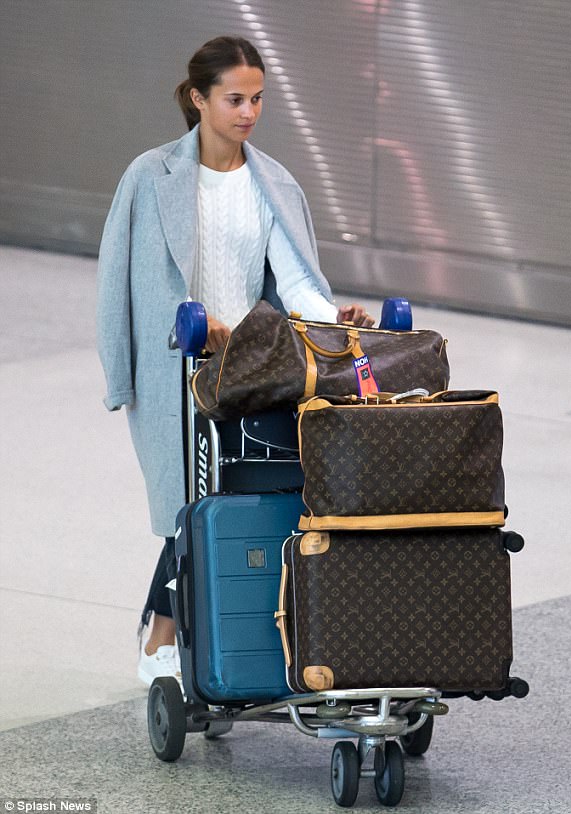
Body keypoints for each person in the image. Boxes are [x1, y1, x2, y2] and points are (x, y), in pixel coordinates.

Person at [96, 36, 374, 686]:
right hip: (177, 371)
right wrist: (119, 376)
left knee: (229, 499)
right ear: (198, 99)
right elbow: (114, 279)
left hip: (249, 370)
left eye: (257, 99)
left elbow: (298, 282)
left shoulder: (271, 183)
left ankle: (181, 636)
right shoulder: (150, 176)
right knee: (190, 503)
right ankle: (165, 633)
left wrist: (336, 321)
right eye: (234, 99)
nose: (248, 111)